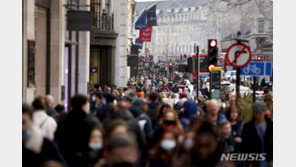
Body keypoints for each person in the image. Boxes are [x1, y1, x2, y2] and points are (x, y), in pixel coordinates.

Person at [54, 94, 101, 167]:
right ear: (84, 105)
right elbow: (97, 142)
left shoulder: (63, 122)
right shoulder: (91, 121)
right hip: (86, 159)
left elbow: (57, 140)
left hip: (66, 159)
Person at [242, 102, 273, 167]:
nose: (260, 115)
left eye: (261, 112)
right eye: (257, 113)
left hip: (270, 158)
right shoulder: (247, 127)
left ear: (264, 112)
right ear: (253, 113)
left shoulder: (271, 125)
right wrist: (248, 160)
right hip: (255, 160)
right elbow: (245, 145)